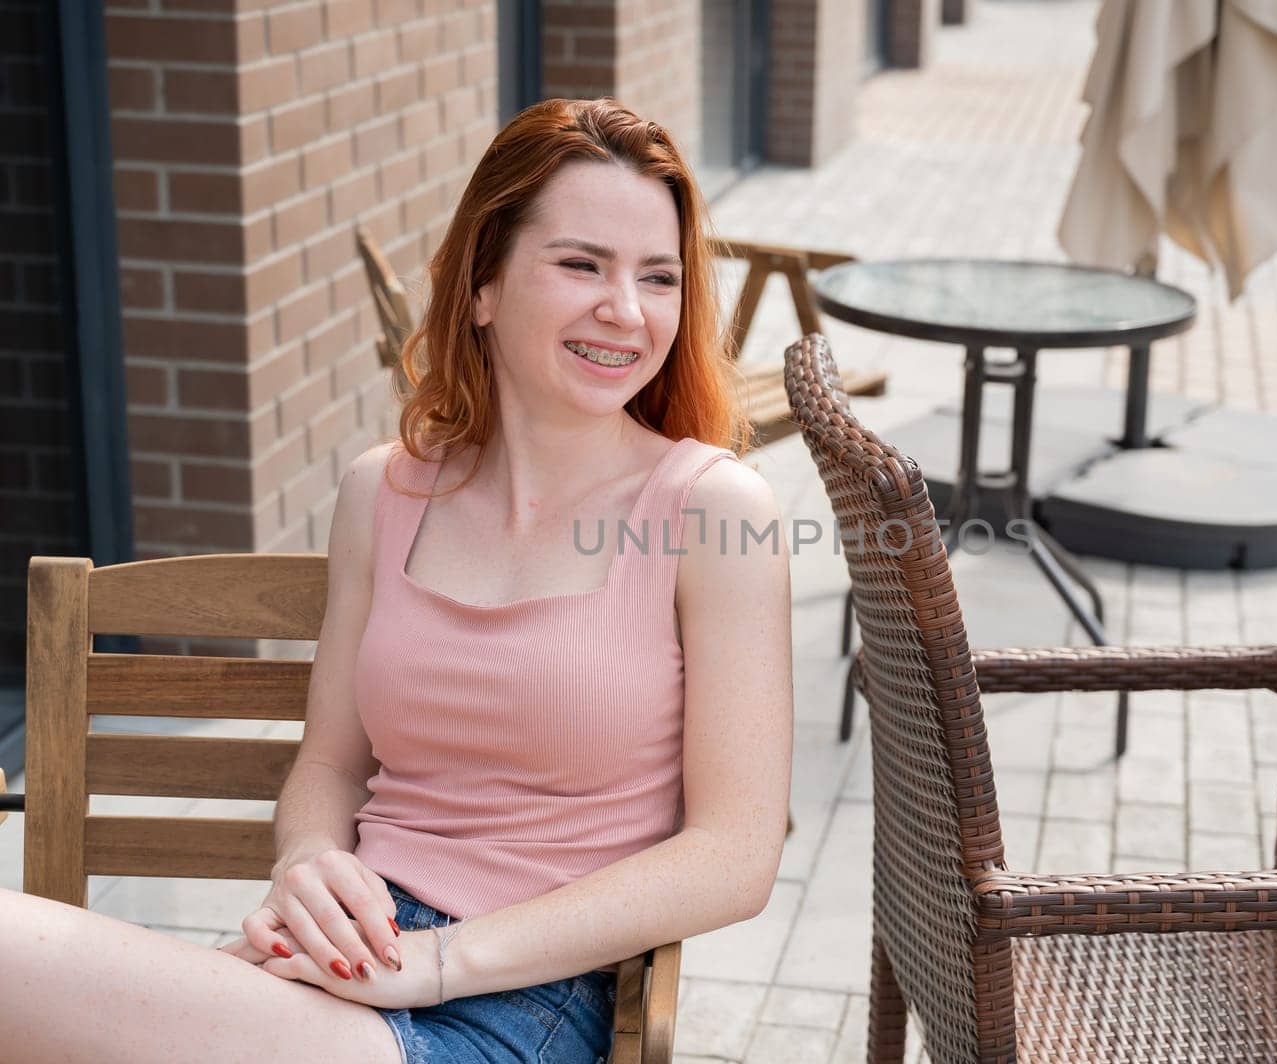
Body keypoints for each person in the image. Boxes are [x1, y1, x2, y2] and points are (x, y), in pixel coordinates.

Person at [0, 98, 794, 1064]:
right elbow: (331, 763)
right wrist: (309, 863)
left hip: (525, 995)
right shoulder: (385, 490)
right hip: (350, 955)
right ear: (483, 286)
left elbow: (736, 855)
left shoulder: (714, 511)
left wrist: (444, 962)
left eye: (657, 277)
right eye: (581, 264)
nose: (625, 310)